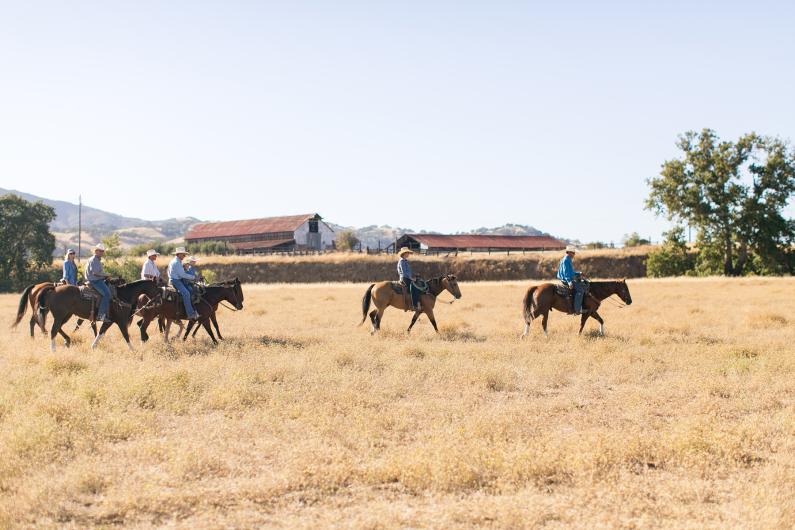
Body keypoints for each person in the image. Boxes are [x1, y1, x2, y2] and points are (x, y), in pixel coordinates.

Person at [168, 247, 199, 320]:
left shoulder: (176, 261)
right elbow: (182, 275)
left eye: (185, 254)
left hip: (176, 279)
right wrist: (193, 277)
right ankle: (190, 314)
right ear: (179, 254)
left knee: (190, 290)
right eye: (183, 254)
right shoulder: (176, 262)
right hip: (176, 281)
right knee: (186, 293)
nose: (184, 256)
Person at [85, 244, 112, 322]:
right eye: (100, 251)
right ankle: (101, 315)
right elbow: (95, 273)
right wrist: (106, 275)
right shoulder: (95, 260)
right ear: (96, 251)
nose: (102, 252)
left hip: (95, 280)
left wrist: (104, 276)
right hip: (95, 281)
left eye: (102, 251)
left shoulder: (94, 259)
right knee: (107, 294)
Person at [557, 244, 587, 314]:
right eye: (573, 253)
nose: (574, 254)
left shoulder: (567, 259)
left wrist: (579, 273)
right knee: (580, 290)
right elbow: (566, 273)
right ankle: (577, 310)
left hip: (568, 278)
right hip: (566, 280)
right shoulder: (566, 260)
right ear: (569, 252)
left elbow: (571, 272)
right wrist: (569, 282)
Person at [397, 246, 421, 311]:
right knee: (415, 288)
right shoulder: (402, 261)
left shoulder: (405, 261)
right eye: (407, 253)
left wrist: (414, 275)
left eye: (408, 253)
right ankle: (414, 305)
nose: (408, 254)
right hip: (404, 278)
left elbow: (408, 272)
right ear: (404, 254)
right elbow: (404, 272)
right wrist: (411, 278)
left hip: (407, 277)